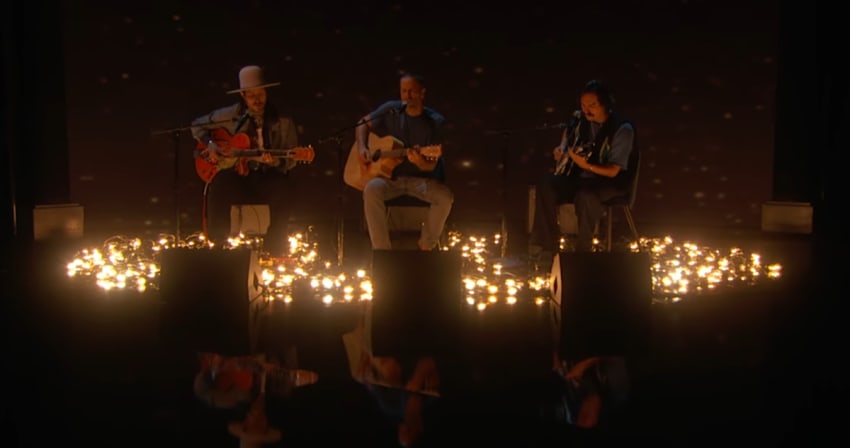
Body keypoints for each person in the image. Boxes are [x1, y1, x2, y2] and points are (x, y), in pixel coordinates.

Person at [190, 65, 305, 256]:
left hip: (267, 176)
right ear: (243, 95)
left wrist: (274, 162)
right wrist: (210, 144)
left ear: (266, 92)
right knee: (218, 186)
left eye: (260, 94)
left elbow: (289, 161)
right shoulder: (230, 115)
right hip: (237, 175)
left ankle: (275, 249)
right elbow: (196, 126)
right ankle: (218, 248)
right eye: (251, 95)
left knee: (284, 189)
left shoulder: (283, 121)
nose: (257, 100)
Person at [529, 79, 638, 256]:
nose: (587, 109)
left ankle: (583, 252)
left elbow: (614, 171)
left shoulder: (622, 129)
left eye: (592, 105)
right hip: (581, 178)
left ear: (605, 104)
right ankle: (546, 245)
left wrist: (585, 165)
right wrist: (562, 149)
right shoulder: (580, 119)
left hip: (610, 182)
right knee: (546, 184)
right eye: (583, 104)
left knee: (585, 196)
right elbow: (569, 132)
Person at [353, 72, 453, 251]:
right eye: (403, 91)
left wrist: (420, 162)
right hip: (389, 178)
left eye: (412, 92)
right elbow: (362, 123)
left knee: (444, 197)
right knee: (371, 189)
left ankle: (426, 245)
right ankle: (382, 251)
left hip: (420, 181)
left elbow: (430, 164)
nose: (407, 96)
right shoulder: (391, 110)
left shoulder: (434, 122)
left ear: (422, 93)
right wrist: (362, 147)